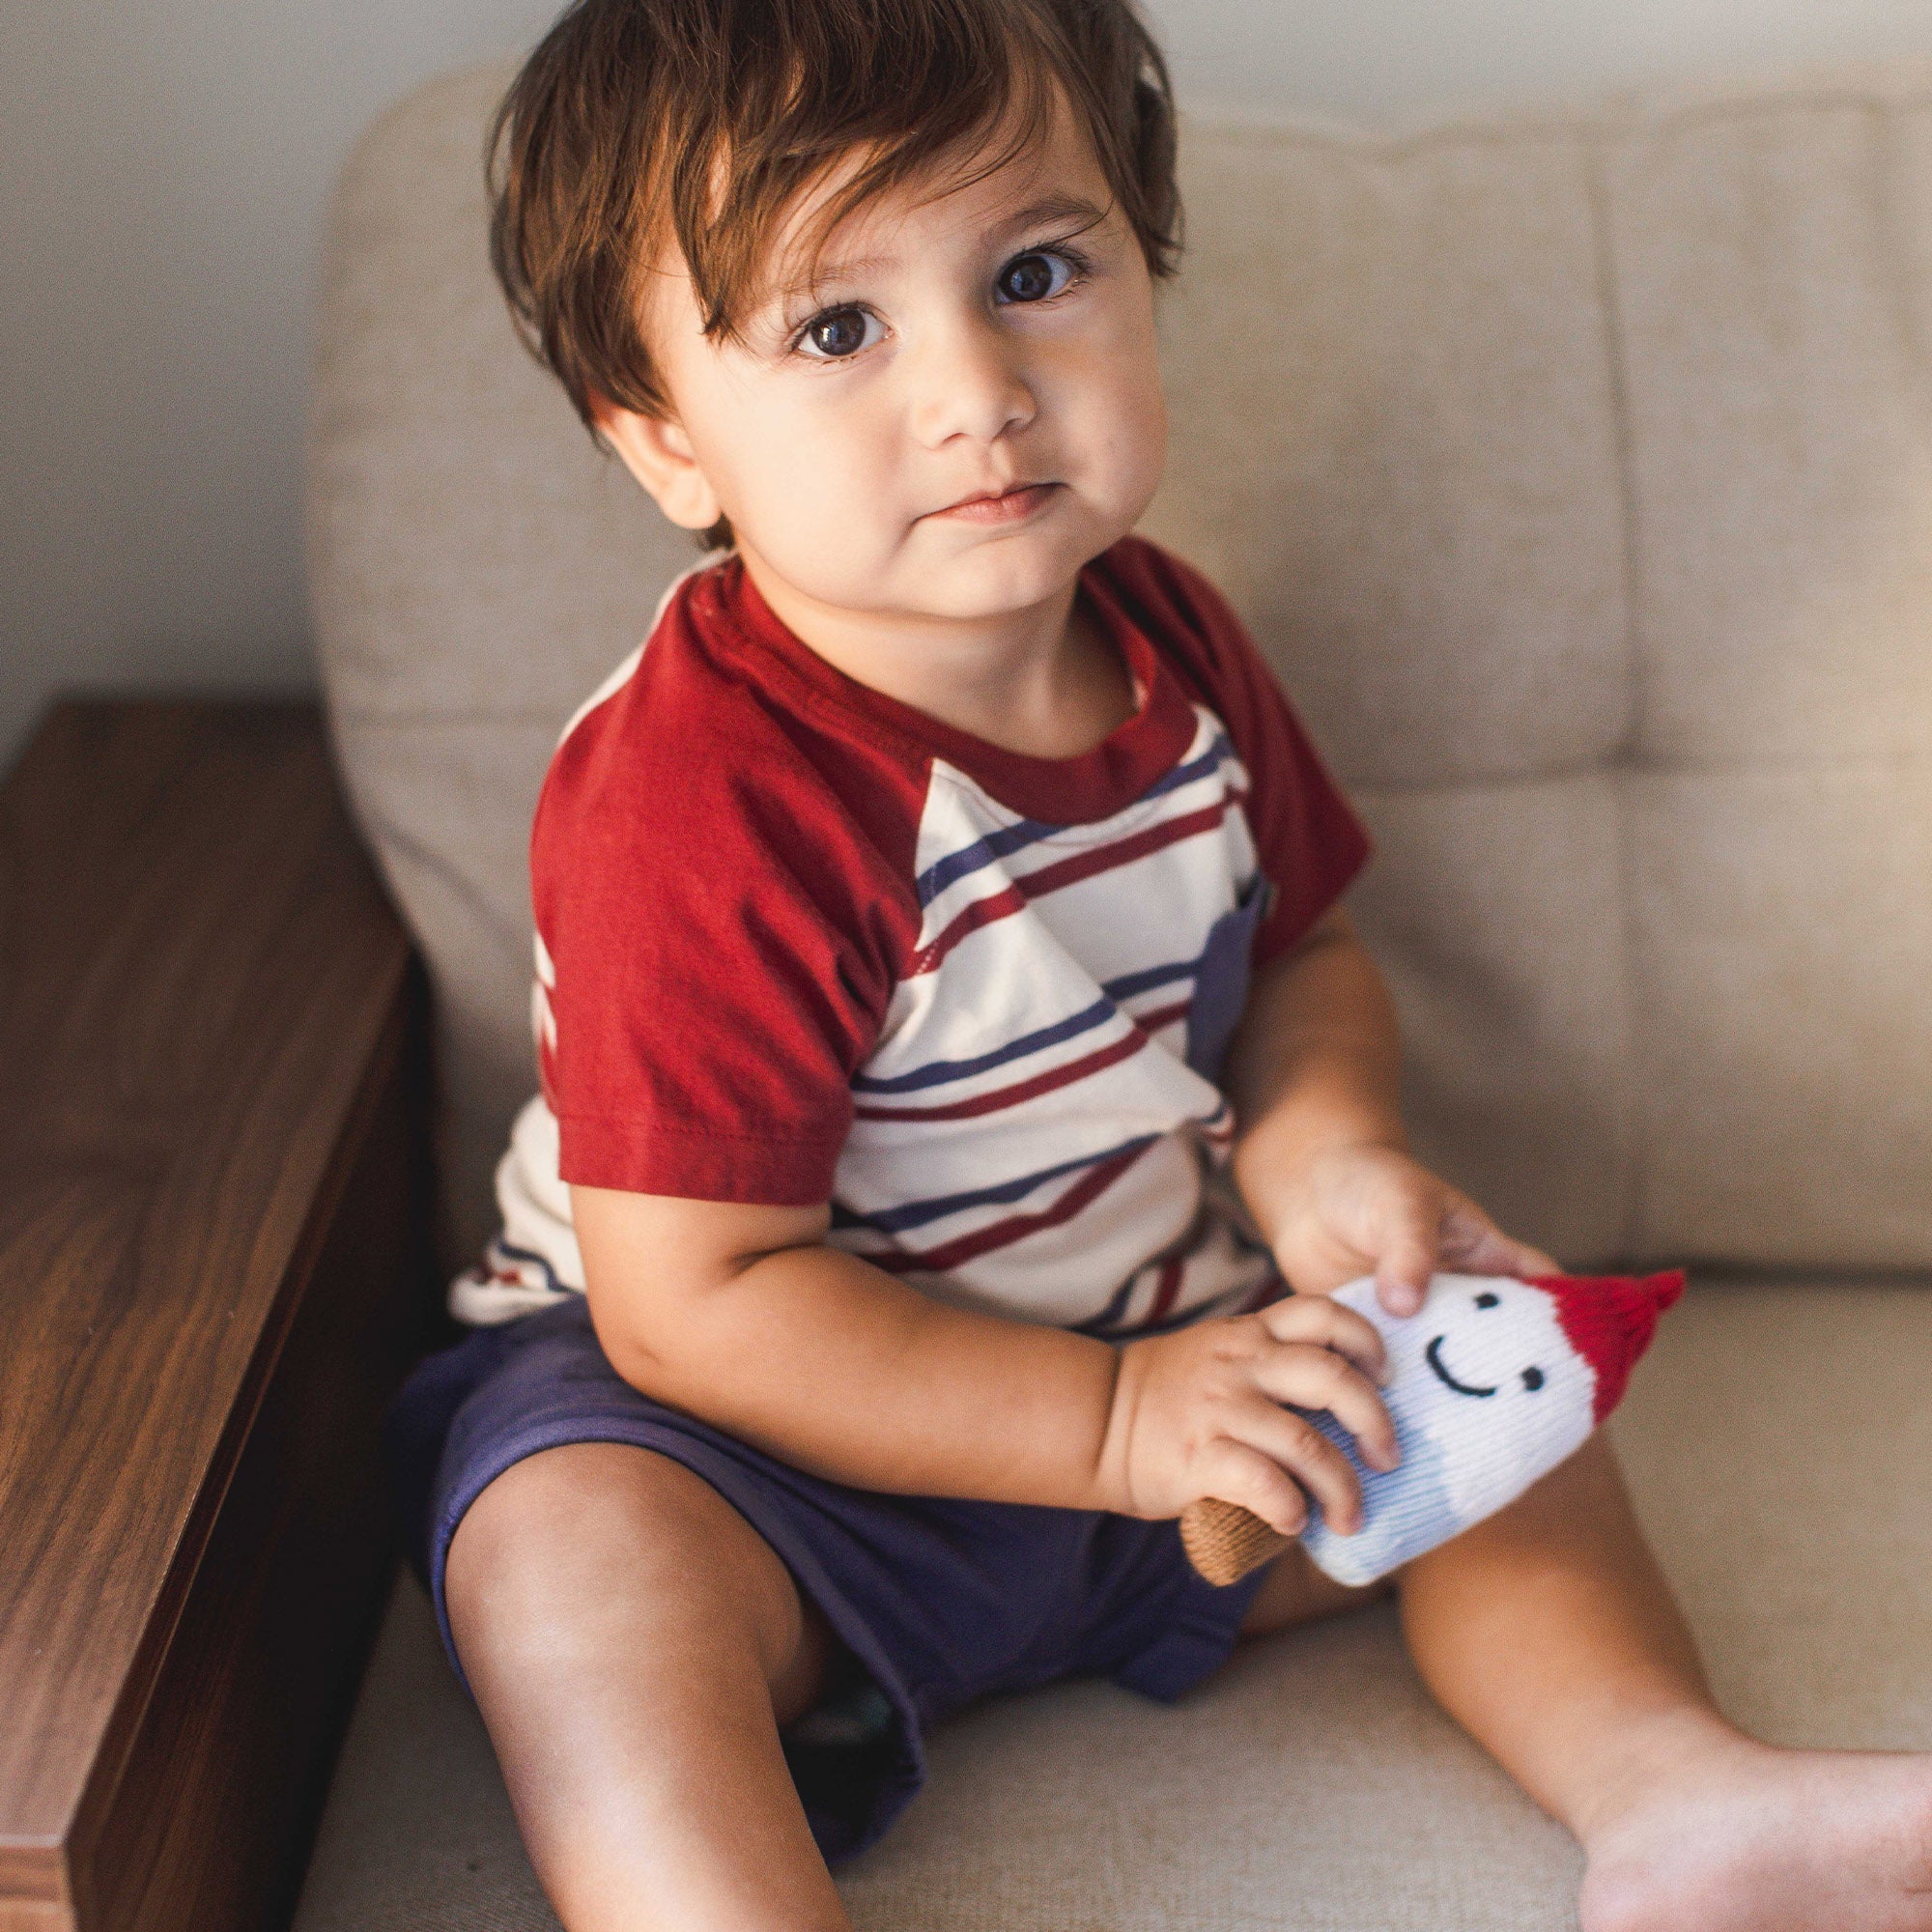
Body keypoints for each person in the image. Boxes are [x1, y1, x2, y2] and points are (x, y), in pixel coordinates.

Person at [384, 1, 1932, 1925]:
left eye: (1032, 272)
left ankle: (1676, 1797)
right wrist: (1105, 1430)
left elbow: (1303, 953)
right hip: (743, 1440)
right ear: (661, 437)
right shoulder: (700, 798)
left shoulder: (1172, 644)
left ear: (1141, 268)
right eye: (837, 326)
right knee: (569, 1564)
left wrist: (1326, 1162)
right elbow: (696, 1305)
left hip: (1145, 1353)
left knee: (1486, 1370)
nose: (975, 389)